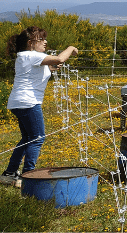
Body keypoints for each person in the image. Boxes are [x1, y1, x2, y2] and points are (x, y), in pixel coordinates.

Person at [0, 26, 78, 187]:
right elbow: (60, 59)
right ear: (31, 43)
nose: (45, 42)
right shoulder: (32, 55)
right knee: (37, 138)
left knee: (27, 138)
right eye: (41, 39)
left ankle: (9, 173)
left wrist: (50, 68)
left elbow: (36, 72)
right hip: (28, 103)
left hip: (19, 102)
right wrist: (71, 48)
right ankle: (28, 177)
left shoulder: (26, 56)